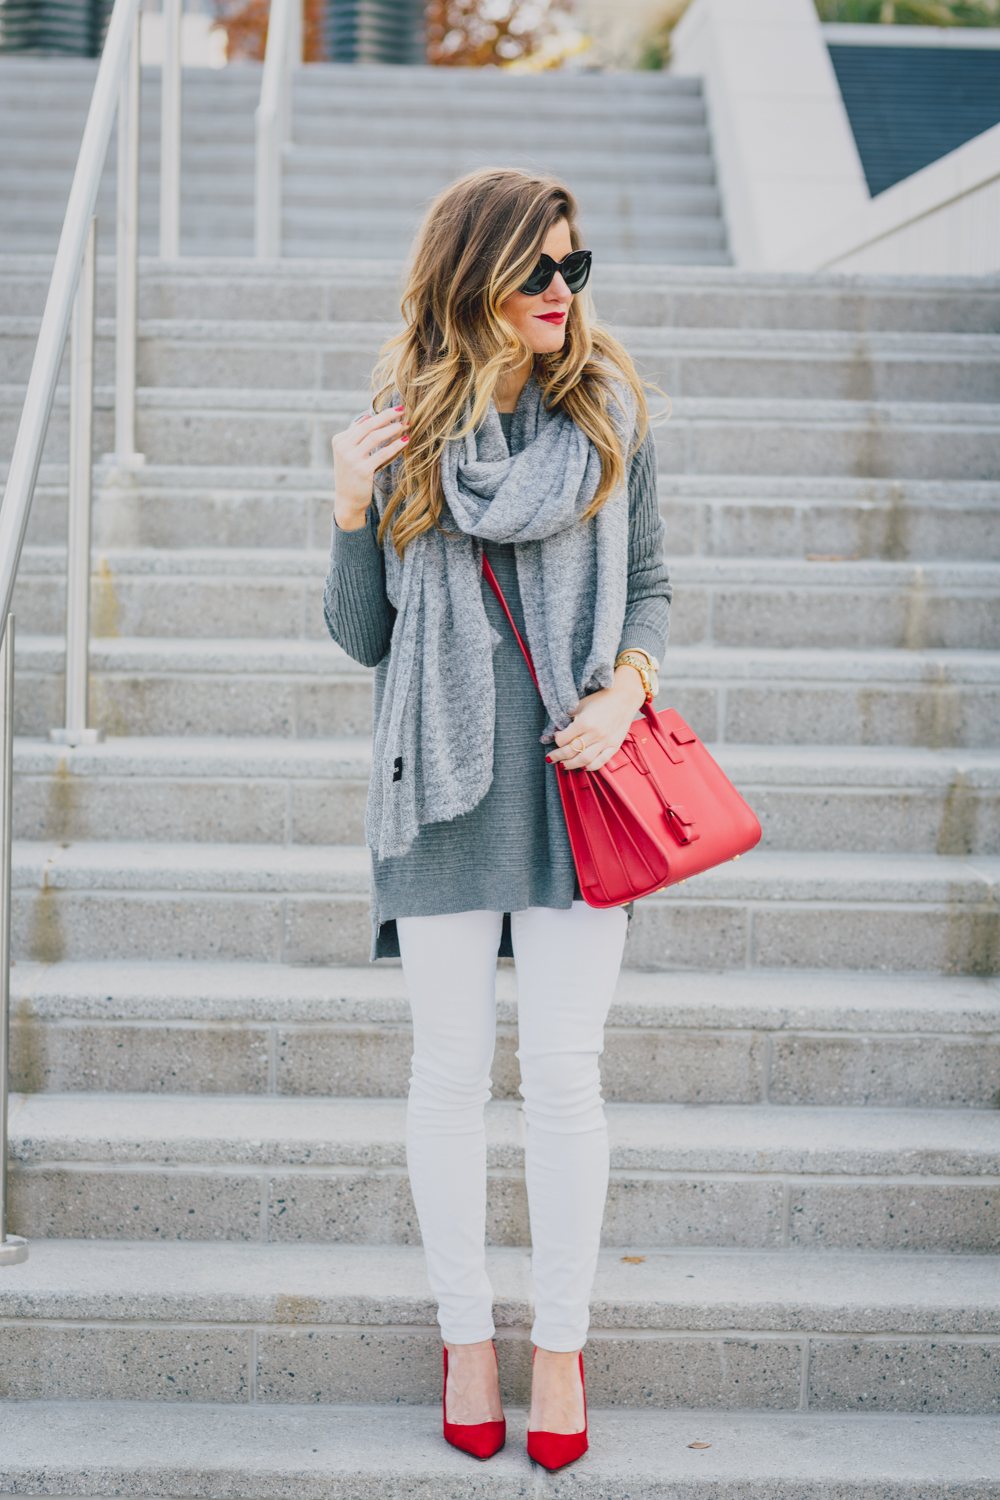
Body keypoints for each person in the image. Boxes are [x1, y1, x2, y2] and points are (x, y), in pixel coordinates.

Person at [324, 167, 671, 1472]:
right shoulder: (402, 430)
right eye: (540, 271)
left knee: (566, 1078)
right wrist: (350, 512)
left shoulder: (612, 413)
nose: (562, 295)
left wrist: (626, 694)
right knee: (449, 1077)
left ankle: (564, 1342)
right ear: (475, 275)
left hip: (581, 786)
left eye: (575, 269)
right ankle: (467, 1332)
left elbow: (652, 588)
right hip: (442, 792)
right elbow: (366, 639)